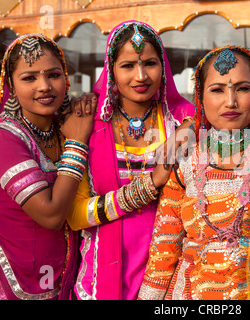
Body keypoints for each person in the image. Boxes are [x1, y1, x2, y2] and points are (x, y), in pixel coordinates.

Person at [137, 45, 250, 300]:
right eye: (217, 90)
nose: (230, 102)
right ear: (201, 98)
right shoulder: (184, 160)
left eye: (243, 88)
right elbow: (164, 251)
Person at [66, 21, 195, 300]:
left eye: (149, 63)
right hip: (101, 279)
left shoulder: (184, 121)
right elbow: (75, 216)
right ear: (111, 69)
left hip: (169, 275)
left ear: (163, 67)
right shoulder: (87, 122)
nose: (140, 76)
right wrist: (149, 184)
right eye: (127, 66)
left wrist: (195, 128)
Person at [0, 34, 95, 300]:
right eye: (29, 78)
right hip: (7, 279)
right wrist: (76, 143)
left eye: (53, 75)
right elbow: (50, 215)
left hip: (61, 275)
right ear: (11, 86)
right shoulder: (0, 137)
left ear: (66, 79)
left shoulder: (63, 127)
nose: (44, 86)